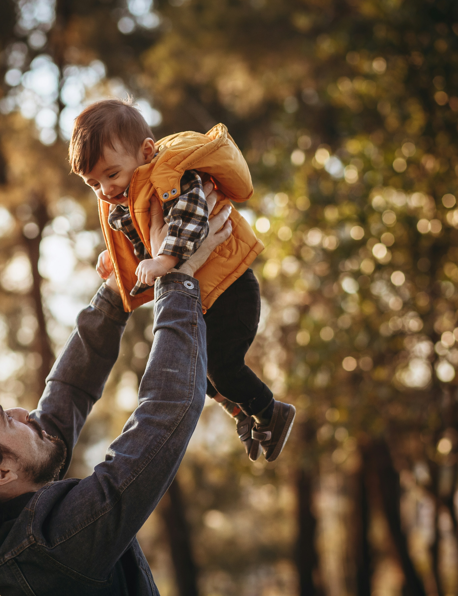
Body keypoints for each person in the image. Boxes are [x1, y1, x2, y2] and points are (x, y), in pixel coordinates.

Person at [0, 197, 232, 595]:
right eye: (6, 419)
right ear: (0, 472)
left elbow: (68, 394)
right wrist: (178, 278)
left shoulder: (14, 528)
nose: (25, 413)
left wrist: (116, 291)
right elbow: (166, 413)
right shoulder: (52, 546)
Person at [69, 98, 295, 462]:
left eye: (111, 175)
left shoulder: (170, 174)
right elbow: (146, 240)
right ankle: (241, 413)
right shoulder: (127, 200)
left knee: (223, 367)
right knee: (196, 370)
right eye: (93, 183)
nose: (105, 190)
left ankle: (270, 412)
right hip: (206, 295)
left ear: (145, 152)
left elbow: (191, 217)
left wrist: (166, 259)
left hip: (232, 290)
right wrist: (118, 257)